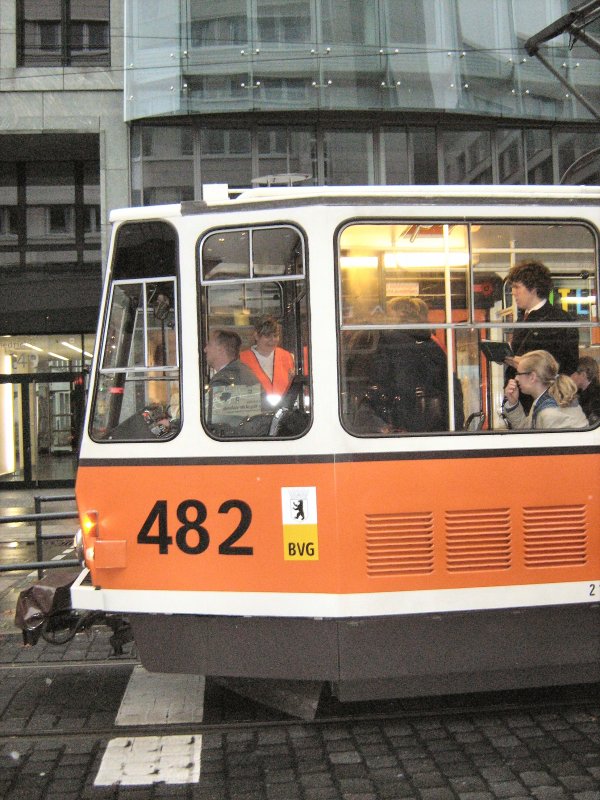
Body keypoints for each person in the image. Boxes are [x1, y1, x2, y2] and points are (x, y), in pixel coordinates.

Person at [356, 297, 463, 433]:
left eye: (389, 314)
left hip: (403, 425)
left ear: (401, 315)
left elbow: (390, 384)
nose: (385, 318)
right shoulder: (435, 345)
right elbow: (452, 388)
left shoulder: (390, 342)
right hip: (435, 427)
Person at [504, 260, 579, 412]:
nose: (513, 292)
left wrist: (526, 364)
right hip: (522, 400)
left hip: (550, 403)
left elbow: (567, 364)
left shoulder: (559, 319)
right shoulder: (523, 320)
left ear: (533, 289)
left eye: (517, 287)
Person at [503, 349, 587, 430]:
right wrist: (513, 403)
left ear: (532, 377)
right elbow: (526, 430)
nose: (516, 378)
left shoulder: (551, 413)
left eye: (518, 374)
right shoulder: (544, 400)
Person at [204, 329, 263, 430]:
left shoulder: (224, 381)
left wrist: (174, 423)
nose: (205, 350)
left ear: (220, 349)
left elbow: (207, 420)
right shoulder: (242, 371)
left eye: (209, 345)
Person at [240, 316, 295, 404]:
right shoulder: (242, 359)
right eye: (267, 336)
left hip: (283, 411)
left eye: (275, 336)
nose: (272, 340)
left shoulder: (287, 356)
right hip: (255, 411)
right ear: (256, 336)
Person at [571, 356, 600, 425]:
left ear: (583, 375)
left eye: (573, 373)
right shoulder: (585, 394)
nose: (570, 376)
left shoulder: (595, 398)